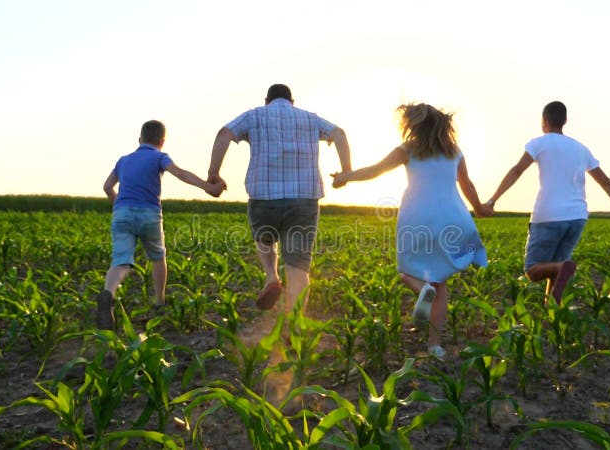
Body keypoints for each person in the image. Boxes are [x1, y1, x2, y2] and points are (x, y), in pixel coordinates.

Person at [332, 103, 490, 359]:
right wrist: (480, 208)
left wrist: (346, 176)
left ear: (413, 125)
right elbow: (467, 184)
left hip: (418, 215)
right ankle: (434, 345)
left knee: (405, 270)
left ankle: (420, 289)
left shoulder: (408, 149)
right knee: (441, 283)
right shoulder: (454, 152)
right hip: (452, 218)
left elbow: (375, 170)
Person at [206, 84, 352, 324]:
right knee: (298, 268)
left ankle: (271, 276)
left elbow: (224, 133)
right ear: (292, 101)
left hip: (264, 197)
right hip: (304, 199)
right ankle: (294, 325)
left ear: (267, 100)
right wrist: (345, 172)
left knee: (264, 239)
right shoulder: (310, 119)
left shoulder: (254, 115)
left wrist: (213, 174)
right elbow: (339, 134)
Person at [485, 101, 610, 303]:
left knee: (532, 271)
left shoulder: (539, 143)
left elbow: (517, 170)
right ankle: (551, 314)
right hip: (577, 217)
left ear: (544, 122)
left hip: (549, 215)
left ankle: (561, 269)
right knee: (555, 270)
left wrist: (492, 200)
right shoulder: (581, 149)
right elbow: (607, 182)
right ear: (564, 121)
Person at [95, 120, 225, 330]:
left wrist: (119, 204)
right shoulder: (159, 157)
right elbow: (181, 173)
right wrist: (207, 187)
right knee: (157, 257)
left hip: (122, 213)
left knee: (121, 261)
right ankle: (160, 301)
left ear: (140, 139)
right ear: (162, 142)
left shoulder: (124, 160)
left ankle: (108, 294)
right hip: (149, 214)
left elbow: (107, 186)